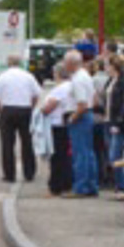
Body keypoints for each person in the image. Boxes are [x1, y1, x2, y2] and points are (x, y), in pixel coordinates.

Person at [0, 54, 43, 183]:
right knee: (27, 142)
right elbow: (36, 94)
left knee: (7, 143)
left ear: (8, 63)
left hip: (8, 110)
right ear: (20, 63)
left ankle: (9, 174)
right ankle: (29, 173)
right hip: (25, 109)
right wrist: (31, 107)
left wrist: (0, 110)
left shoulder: (2, 77)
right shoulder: (28, 76)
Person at [63, 50, 99, 198]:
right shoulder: (86, 76)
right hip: (88, 115)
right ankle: (91, 185)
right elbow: (94, 98)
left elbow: (82, 104)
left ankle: (80, 187)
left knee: (80, 154)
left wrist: (73, 117)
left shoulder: (77, 79)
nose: (64, 65)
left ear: (72, 63)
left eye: (65, 62)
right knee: (88, 153)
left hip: (81, 118)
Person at [41, 63, 74, 196]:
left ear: (58, 74)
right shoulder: (71, 86)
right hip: (65, 124)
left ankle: (55, 185)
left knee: (57, 156)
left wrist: (41, 111)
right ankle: (66, 183)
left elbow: (49, 107)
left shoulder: (59, 89)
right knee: (65, 156)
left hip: (57, 124)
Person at [105, 56, 124, 198]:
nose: (106, 69)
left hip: (117, 123)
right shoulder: (111, 81)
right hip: (109, 121)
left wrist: (119, 123)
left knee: (115, 154)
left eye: (108, 66)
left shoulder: (123, 83)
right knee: (113, 153)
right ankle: (119, 185)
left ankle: (122, 186)